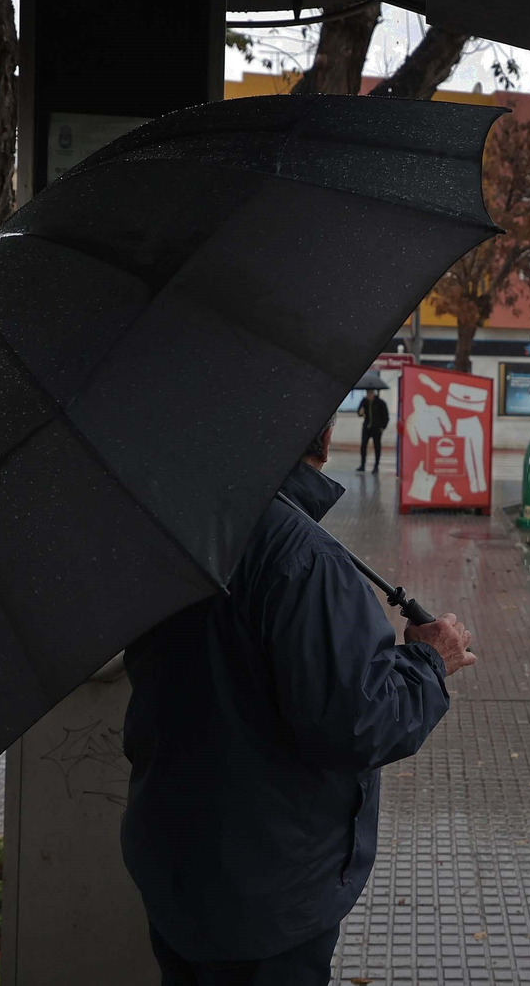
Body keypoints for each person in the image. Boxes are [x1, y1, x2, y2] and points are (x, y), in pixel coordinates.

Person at [121, 416, 475, 985]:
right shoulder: (305, 560)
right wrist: (432, 660)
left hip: (175, 862)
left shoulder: (177, 526)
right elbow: (360, 723)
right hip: (265, 891)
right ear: (322, 429)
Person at [355, 387, 390, 472]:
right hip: (367, 427)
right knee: (363, 445)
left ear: (373, 393)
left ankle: (376, 466)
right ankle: (362, 465)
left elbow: (386, 416)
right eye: (368, 393)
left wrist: (382, 427)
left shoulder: (380, 403)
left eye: (370, 393)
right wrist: (360, 412)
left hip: (376, 428)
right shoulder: (364, 401)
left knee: (377, 446)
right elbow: (359, 412)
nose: (369, 395)